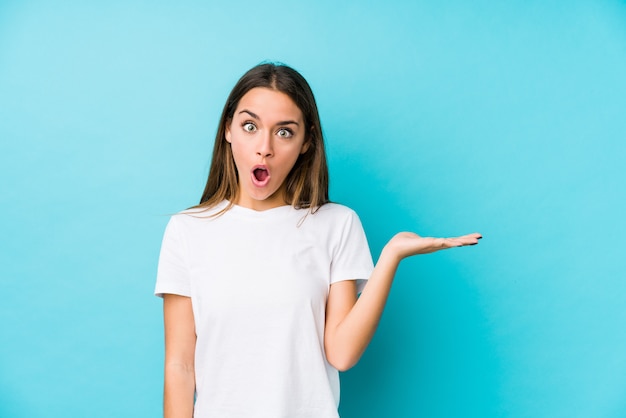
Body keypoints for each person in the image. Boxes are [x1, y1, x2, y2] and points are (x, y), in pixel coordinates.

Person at [155, 62, 481, 418]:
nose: (264, 148)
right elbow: (180, 367)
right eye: (250, 126)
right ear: (228, 130)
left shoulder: (336, 224)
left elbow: (341, 353)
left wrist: (390, 257)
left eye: (284, 132)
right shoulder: (187, 230)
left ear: (306, 141)